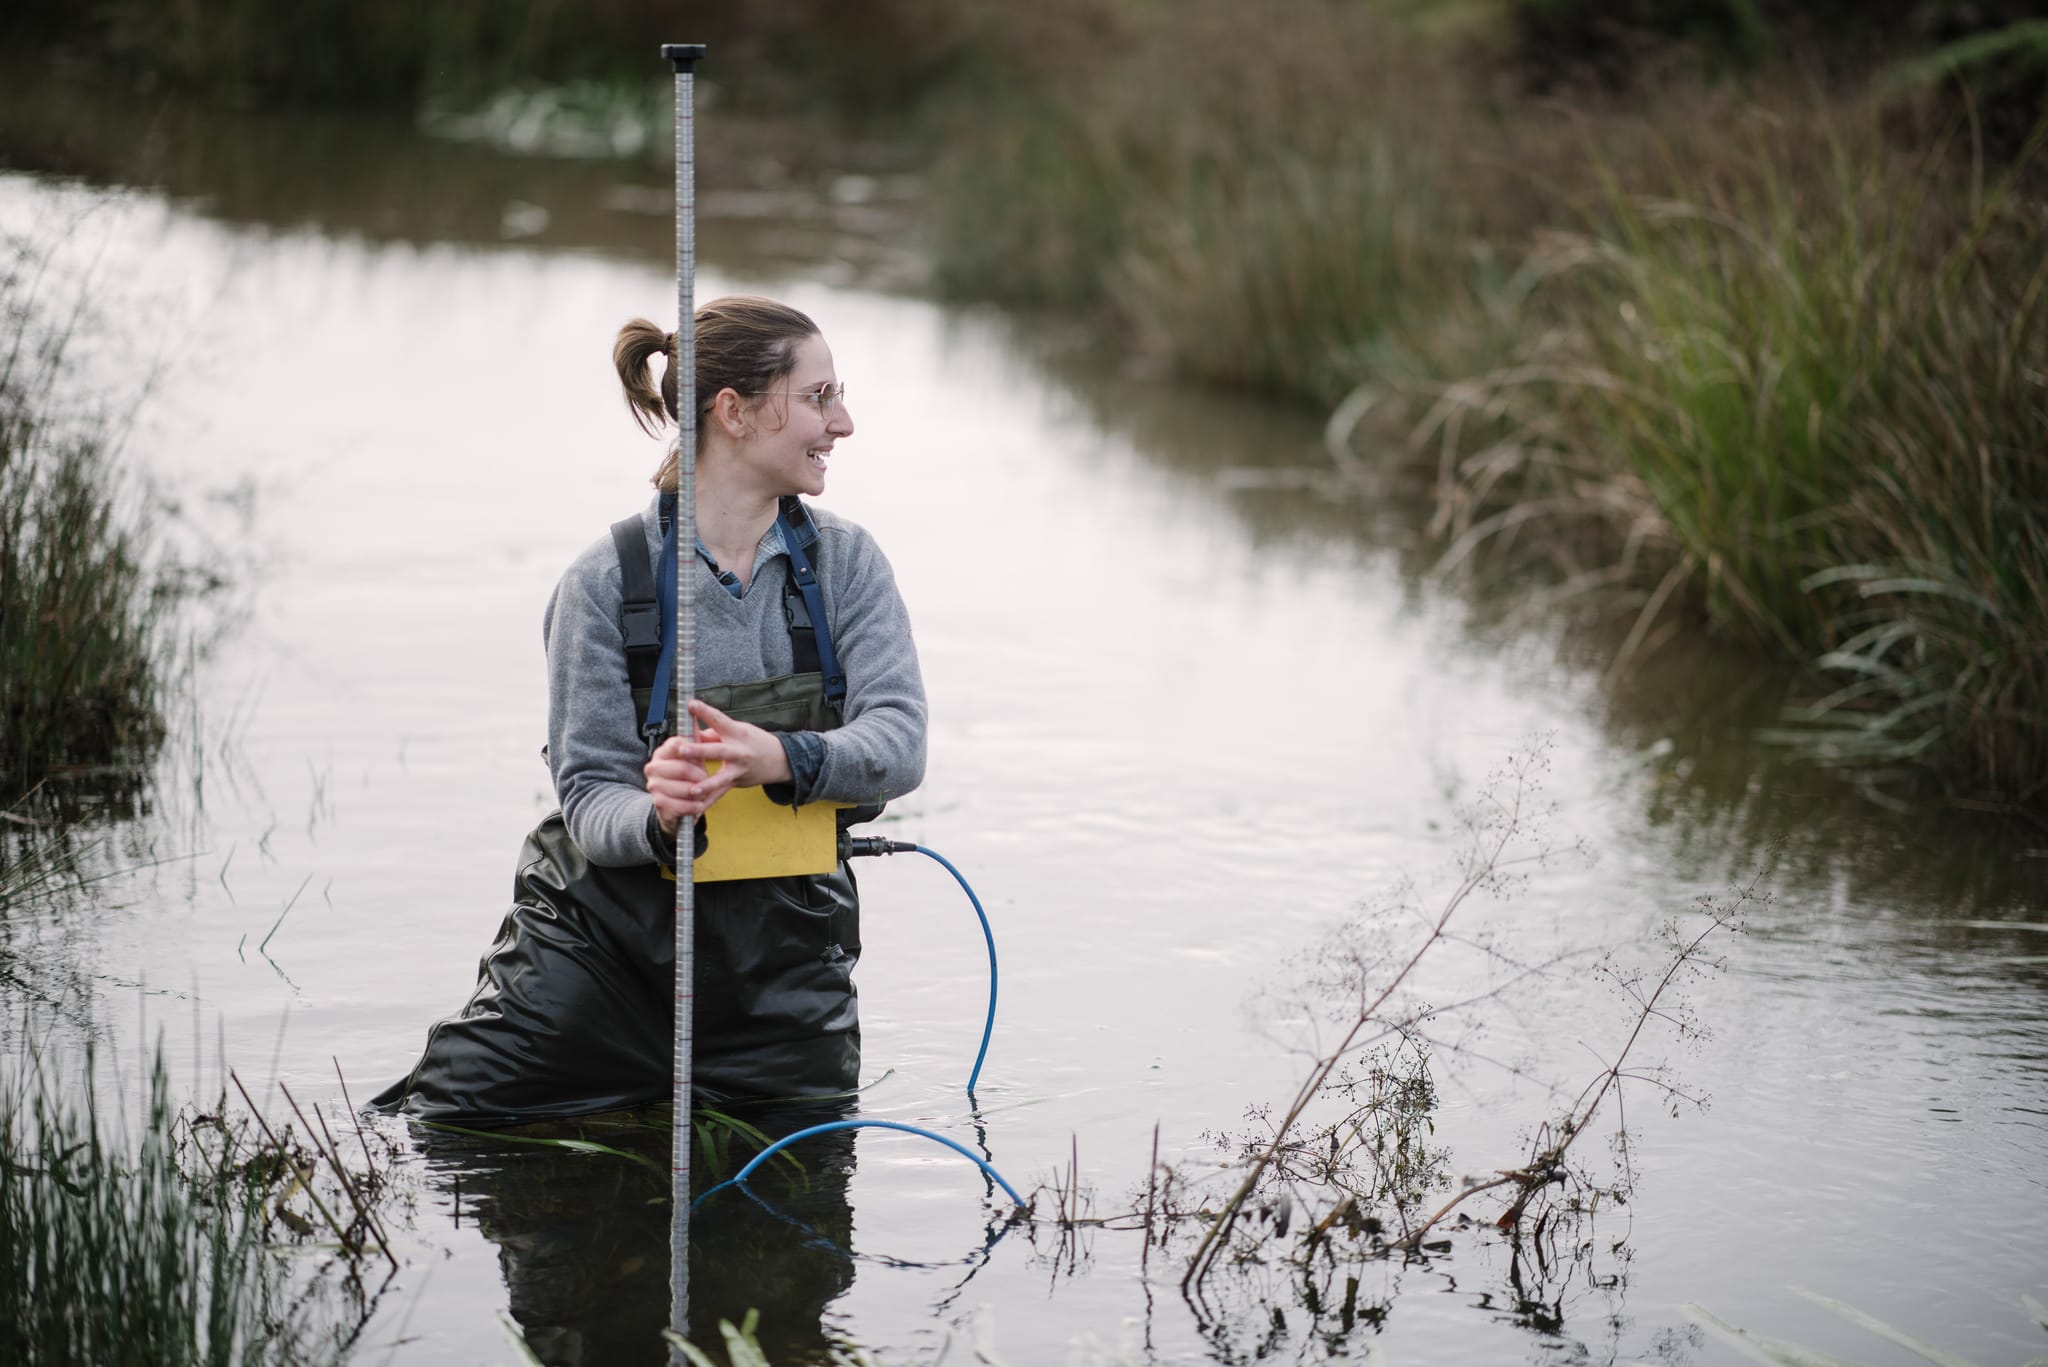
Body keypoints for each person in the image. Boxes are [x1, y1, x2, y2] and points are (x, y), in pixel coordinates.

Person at [374, 296, 926, 1122]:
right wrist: (659, 815)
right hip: (598, 961)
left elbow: (900, 742)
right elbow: (591, 795)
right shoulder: (603, 582)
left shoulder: (848, 565)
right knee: (445, 1127)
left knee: (800, 1184)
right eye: (819, 397)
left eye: (837, 396)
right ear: (733, 411)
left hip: (785, 977)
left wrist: (778, 759)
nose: (842, 422)